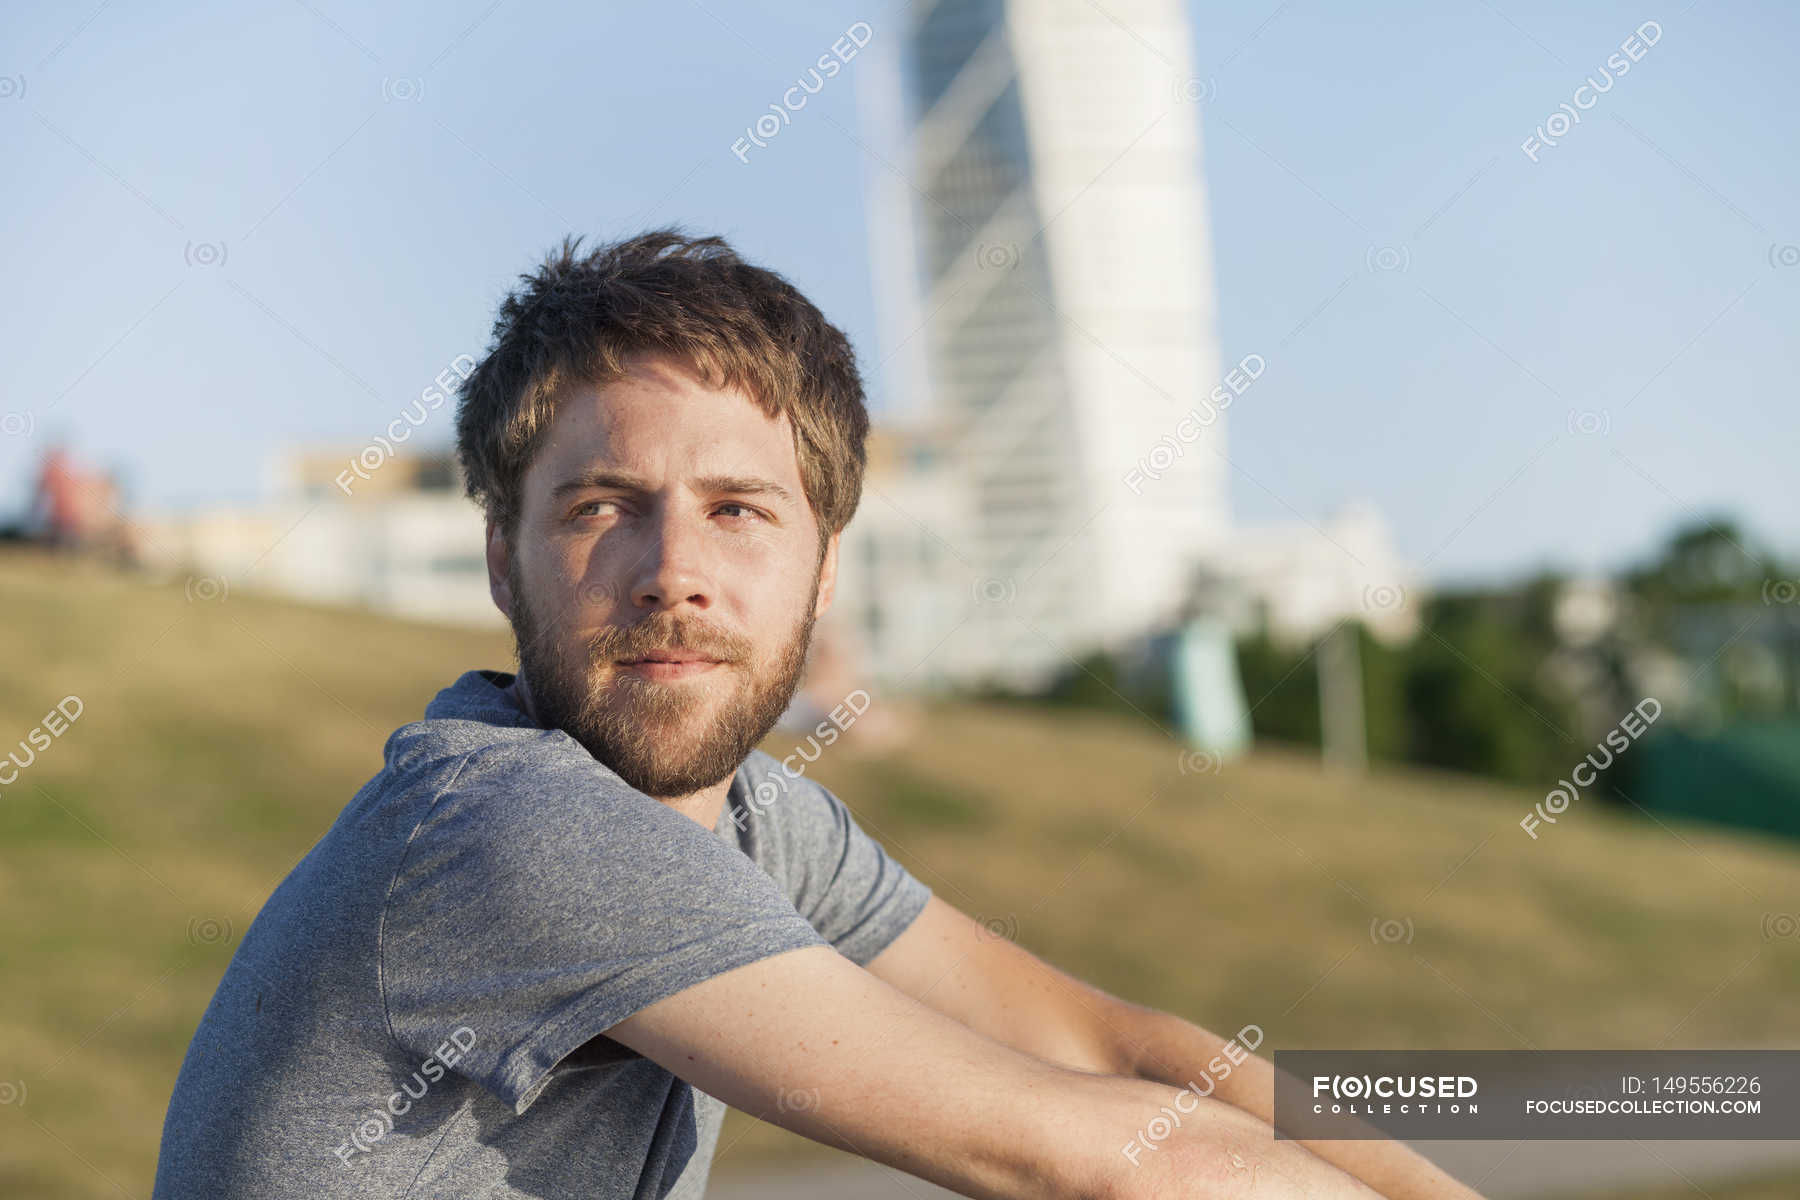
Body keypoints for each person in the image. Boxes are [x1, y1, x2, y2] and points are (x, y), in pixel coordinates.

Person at [151, 230, 1481, 1199]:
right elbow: (1089, 1154)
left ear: (824, 569)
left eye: (739, 509)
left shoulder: (753, 825)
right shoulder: (508, 829)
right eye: (603, 504)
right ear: (503, 559)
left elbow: (1118, 1050)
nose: (673, 569)